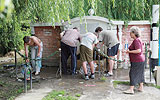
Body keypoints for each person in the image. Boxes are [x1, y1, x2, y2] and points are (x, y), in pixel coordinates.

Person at [123, 26, 145, 94]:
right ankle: (141, 87)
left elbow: (138, 50)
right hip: (140, 60)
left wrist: (129, 52)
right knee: (140, 73)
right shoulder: (138, 39)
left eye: (131, 32)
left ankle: (131, 89)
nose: (130, 34)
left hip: (137, 60)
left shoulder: (136, 40)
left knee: (132, 73)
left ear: (134, 33)